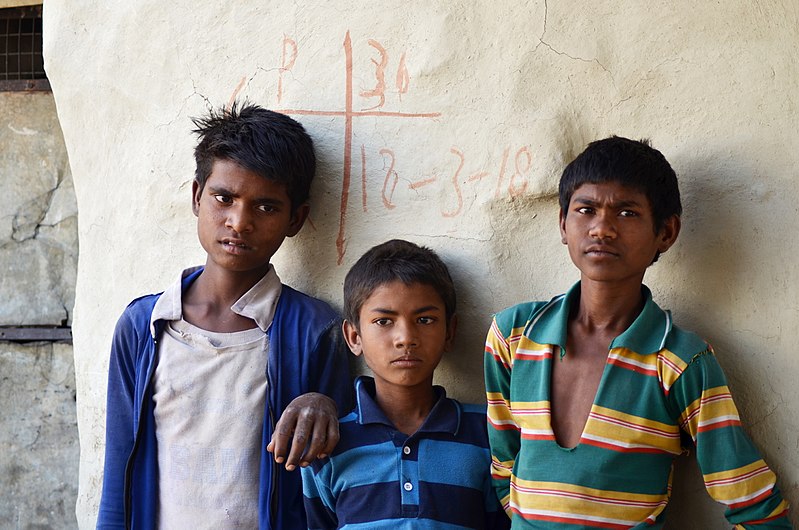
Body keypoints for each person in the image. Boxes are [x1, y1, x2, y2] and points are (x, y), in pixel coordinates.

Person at [484, 137, 791, 528]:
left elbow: (751, 498)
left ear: (666, 232)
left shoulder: (679, 361)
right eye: (586, 209)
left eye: (627, 213)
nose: (602, 229)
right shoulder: (513, 336)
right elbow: (504, 465)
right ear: (563, 223)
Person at [96, 103, 351, 529]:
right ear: (197, 196)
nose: (239, 221)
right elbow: (119, 473)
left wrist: (323, 405)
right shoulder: (145, 327)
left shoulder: (315, 331)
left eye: (266, 206)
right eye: (224, 198)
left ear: (296, 218)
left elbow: (335, 477)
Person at [302, 239, 510, 529]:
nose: (406, 338)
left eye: (425, 319)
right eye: (384, 321)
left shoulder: (485, 435)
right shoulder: (329, 445)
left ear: (450, 332)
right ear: (353, 337)